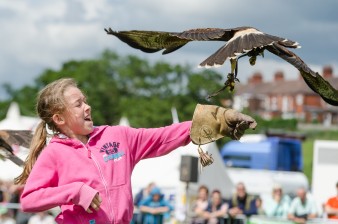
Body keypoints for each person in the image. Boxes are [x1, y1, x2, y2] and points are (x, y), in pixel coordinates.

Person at [15, 78, 256, 224]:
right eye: (78, 104)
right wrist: (75, 192)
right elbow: (29, 200)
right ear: (59, 118)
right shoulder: (54, 153)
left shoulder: (117, 136)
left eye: (85, 100)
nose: (87, 106)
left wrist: (217, 120)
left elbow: (164, 136)